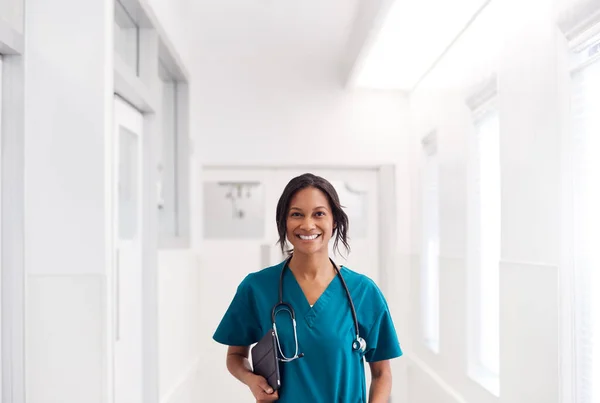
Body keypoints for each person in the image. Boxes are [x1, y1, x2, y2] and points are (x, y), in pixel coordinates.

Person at [213, 173, 403, 402]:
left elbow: (382, 373)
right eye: (296, 214)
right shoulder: (257, 288)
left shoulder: (363, 292)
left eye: (319, 214)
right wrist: (252, 380)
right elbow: (235, 355)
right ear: (284, 222)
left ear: (335, 221)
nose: (307, 224)